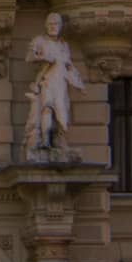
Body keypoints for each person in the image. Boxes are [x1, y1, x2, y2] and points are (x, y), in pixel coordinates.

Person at [22, 11, 89, 159]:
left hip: (61, 82)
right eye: (50, 24)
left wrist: (78, 83)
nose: (53, 27)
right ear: (46, 26)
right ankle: (45, 141)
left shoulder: (64, 45)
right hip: (46, 80)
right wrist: (45, 57)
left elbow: (69, 65)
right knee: (47, 108)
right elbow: (29, 57)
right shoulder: (39, 40)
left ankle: (60, 142)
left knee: (62, 112)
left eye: (56, 24)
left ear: (60, 26)